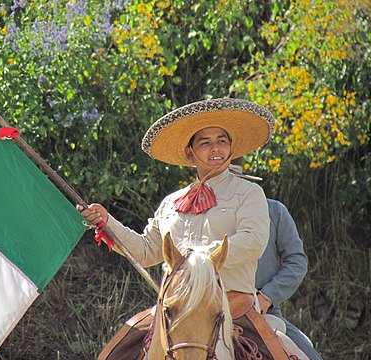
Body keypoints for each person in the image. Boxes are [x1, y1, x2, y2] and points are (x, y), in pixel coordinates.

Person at [79, 98, 298, 359]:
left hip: (232, 307)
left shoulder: (249, 193)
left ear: (231, 148)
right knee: (110, 354)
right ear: (189, 152)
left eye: (222, 141)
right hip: (174, 308)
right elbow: (147, 251)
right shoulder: (171, 202)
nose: (215, 148)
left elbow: (253, 240)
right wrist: (107, 222)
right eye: (205, 142)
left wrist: (200, 259)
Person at [230, 159, 323, 360]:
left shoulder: (274, 211)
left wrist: (267, 296)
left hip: (264, 313)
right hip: (209, 313)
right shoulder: (196, 215)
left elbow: (296, 262)